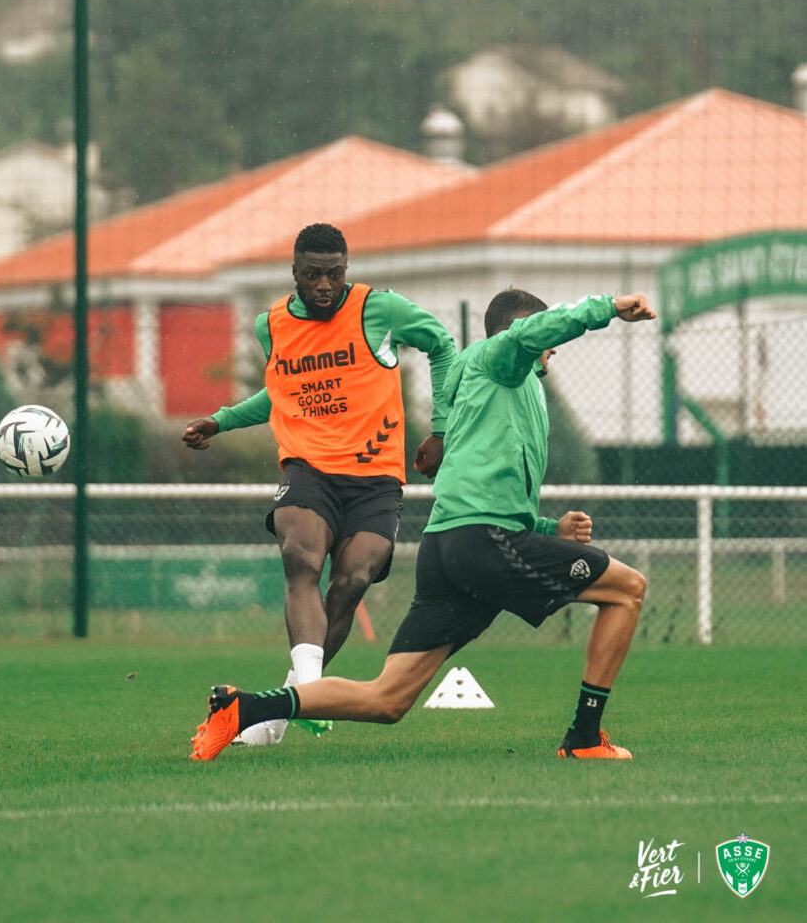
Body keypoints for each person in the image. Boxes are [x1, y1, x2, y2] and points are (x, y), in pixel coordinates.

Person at [190, 289, 655, 762]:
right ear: (518, 332)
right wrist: (608, 308)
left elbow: (483, 486)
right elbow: (534, 333)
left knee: (387, 699)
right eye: (544, 336)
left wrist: (546, 527)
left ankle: (243, 708)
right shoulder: (501, 357)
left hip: (450, 546)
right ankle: (584, 738)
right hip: (485, 542)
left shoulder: (500, 386)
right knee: (627, 588)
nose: (552, 347)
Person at [181, 223, 455, 745]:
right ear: (295, 274)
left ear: (346, 270)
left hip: (376, 478)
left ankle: (278, 715)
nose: (325, 285)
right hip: (308, 470)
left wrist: (440, 429)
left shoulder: (381, 309)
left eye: (335, 274)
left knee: (352, 580)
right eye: (313, 275)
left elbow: (442, 345)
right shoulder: (273, 325)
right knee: (301, 560)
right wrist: (222, 420)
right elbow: (281, 395)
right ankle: (311, 690)